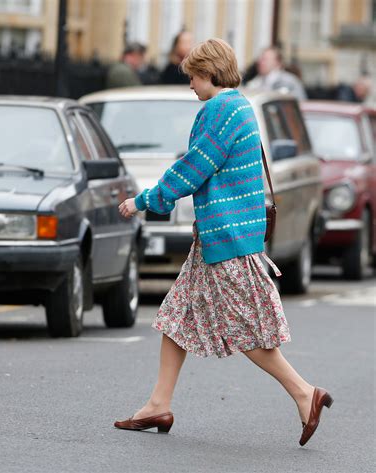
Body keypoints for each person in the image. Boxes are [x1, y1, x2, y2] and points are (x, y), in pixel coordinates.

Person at [115, 38, 333, 446]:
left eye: (194, 77)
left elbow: (193, 168)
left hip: (227, 237)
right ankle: (157, 404)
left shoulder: (218, 110)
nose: (191, 86)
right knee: (176, 318)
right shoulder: (240, 106)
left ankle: (306, 393)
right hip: (224, 235)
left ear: (210, 73)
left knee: (247, 331)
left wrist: (143, 200)